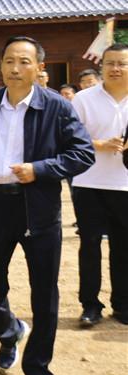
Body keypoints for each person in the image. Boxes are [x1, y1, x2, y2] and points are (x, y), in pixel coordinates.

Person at [0, 36, 94, 375]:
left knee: (44, 294)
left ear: (39, 68)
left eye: (23, 61)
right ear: (0, 65)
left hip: (38, 209)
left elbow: (82, 153)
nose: (14, 68)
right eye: (8, 61)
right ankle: (9, 332)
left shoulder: (56, 106)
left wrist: (40, 169)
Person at [70, 43, 128, 326]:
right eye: (110, 63)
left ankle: (123, 305)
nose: (115, 68)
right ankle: (90, 305)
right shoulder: (84, 99)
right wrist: (99, 144)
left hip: (125, 185)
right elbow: (69, 137)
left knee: (124, 247)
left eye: (122, 63)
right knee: (90, 245)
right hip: (88, 182)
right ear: (101, 66)